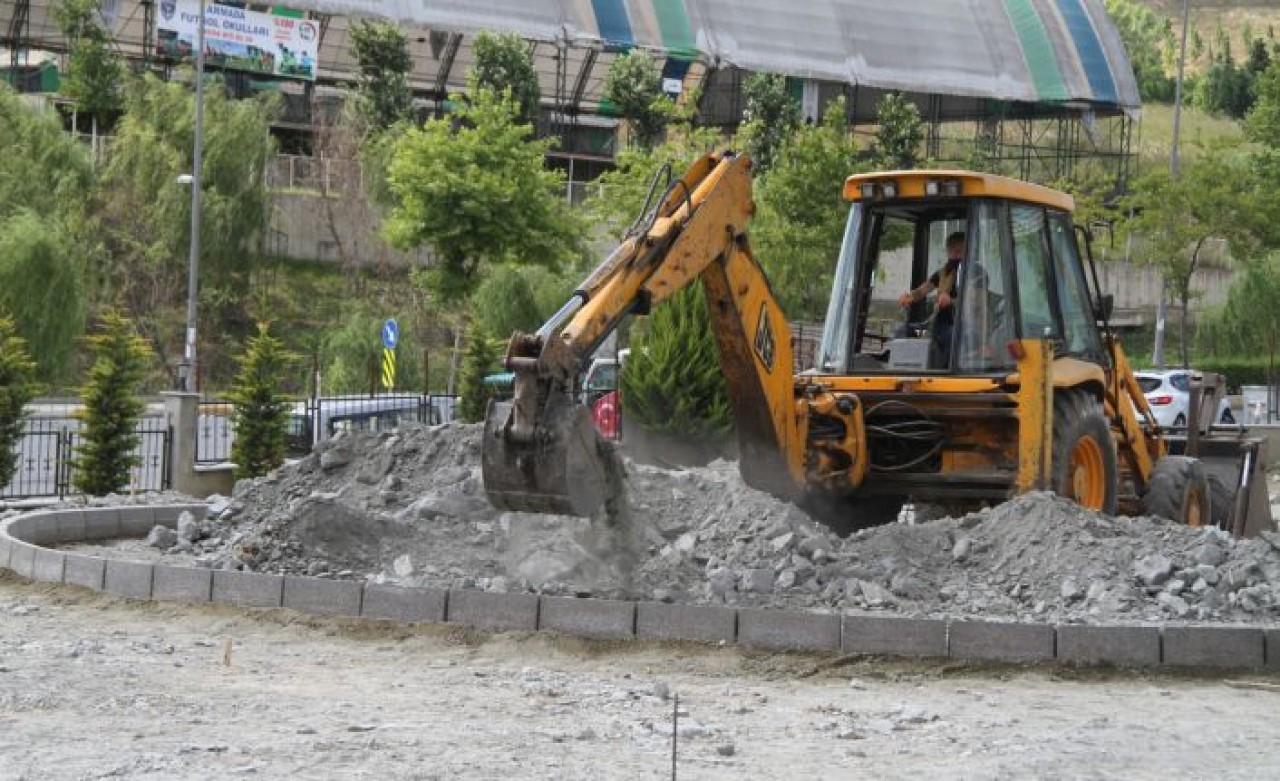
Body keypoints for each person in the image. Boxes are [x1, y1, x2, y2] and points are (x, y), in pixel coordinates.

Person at [897, 231, 968, 363]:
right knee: (901, 331)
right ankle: (905, 367)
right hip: (937, 323)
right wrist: (910, 296)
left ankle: (945, 372)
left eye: (958, 252)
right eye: (950, 252)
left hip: (963, 325)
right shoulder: (942, 273)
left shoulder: (975, 273)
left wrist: (951, 301)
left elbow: (976, 302)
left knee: (952, 336)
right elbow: (923, 289)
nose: (954, 256)